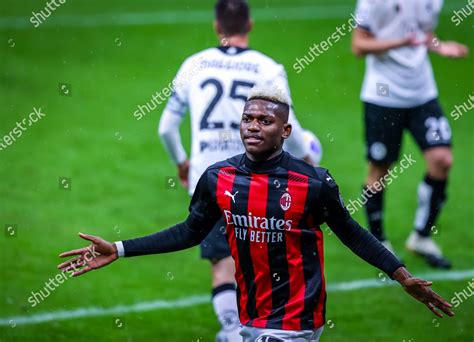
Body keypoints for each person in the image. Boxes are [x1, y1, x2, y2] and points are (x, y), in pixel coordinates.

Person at [59, 85, 454, 342]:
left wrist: (400, 275)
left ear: (285, 131)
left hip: (296, 320)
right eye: (248, 119)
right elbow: (190, 231)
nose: (253, 127)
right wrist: (119, 248)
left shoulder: (313, 183)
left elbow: (350, 232)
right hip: (250, 315)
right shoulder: (219, 178)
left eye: (265, 121)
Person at [157, 0, 316, 339]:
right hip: (263, 178)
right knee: (264, 260)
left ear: (217, 26)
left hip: (212, 178)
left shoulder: (193, 64)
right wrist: (308, 157)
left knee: (222, 264)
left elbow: (166, 128)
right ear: (251, 25)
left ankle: (231, 329)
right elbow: (292, 126)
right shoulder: (267, 68)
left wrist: (182, 162)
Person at [351, 0, 468, 268]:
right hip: (383, 95)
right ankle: (378, 241)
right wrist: (400, 42)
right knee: (379, 170)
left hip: (422, 92)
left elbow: (423, 35)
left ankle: (421, 237)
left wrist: (440, 46)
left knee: (442, 160)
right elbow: (359, 46)